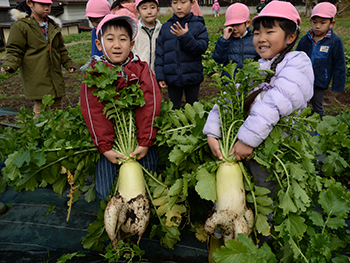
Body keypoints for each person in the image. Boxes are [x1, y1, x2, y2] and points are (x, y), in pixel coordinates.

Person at [203, 1, 314, 261]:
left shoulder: (297, 62)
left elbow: (274, 102)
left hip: (273, 151)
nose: (261, 38)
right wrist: (213, 131)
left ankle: (265, 245)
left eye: (269, 32)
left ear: (290, 37)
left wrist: (246, 140)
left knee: (264, 197)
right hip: (245, 148)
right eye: (256, 33)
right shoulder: (256, 66)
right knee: (231, 199)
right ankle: (222, 240)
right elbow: (229, 99)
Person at [80, 13, 162, 201]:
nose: (117, 45)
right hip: (111, 144)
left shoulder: (141, 70)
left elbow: (151, 105)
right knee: (104, 191)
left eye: (123, 39)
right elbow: (93, 113)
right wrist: (105, 147)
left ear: (132, 45)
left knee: (149, 185)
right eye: (110, 39)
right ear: (99, 45)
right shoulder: (93, 74)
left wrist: (145, 141)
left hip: (141, 141)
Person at [1, 0, 75, 119]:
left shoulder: (53, 25)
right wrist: (10, 64)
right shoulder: (22, 26)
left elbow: (60, 49)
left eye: (49, 5)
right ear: (30, 3)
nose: (47, 8)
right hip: (36, 74)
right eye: (42, 5)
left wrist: (68, 63)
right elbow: (15, 49)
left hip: (54, 74)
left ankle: (60, 132)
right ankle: (40, 134)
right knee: (41, 107)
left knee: (58, 105)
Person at [155, 0, 208, 109]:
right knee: (174, 106)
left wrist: (185, 36)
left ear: (192, 3)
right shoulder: (166, 27)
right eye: (174, 2)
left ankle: (194, 126)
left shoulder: (199, 26)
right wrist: (160, 75)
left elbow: (200, 48)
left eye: (183, 2)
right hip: (172, 76)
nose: (179, 7)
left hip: (192, 75)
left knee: (193, 106)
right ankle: (175, 126)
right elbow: (160, 53)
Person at [296, 2, 346, 118]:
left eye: (322, 23)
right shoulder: (305, 40)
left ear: (331, 23)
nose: (317, 26)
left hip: (319, 81)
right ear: (310, 22)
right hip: (303, 79)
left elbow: (339, 64)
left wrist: (338, 85)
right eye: (315, 22)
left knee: (317, 106)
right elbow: (297, 57)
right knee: (299, 103)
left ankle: (319, 129)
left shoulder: (335, 42)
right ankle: (298, 126)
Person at [212, 3, 257, 78]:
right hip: (230, 82)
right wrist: (224, 40)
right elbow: (218, 59)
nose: (234, 28)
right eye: (231, 25)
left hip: (248, 81)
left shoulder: (255, 39)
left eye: (238, 24)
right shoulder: (226, 41)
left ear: (247, 23)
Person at [133, 0, 162, 73]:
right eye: (144, 8)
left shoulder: (163, 30)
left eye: (152, 7)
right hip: (140, 75)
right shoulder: (134, 32)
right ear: (138, 12)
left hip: (158, 76)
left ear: (157, 10)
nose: (149, 12)